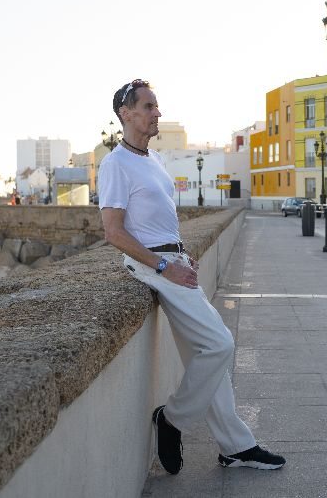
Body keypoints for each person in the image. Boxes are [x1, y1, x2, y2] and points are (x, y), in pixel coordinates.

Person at [97, 79, 285, 475]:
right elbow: (113, 232)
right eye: (148, 106)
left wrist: (182, 255)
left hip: (174, 263)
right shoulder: (115, 164)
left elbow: (162, 220)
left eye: (156, 106)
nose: (157, 113)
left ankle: (236, 445)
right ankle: (171, 419)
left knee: (207, 352)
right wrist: (165, 265)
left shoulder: (154, 160)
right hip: (154, 268)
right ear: (125, 114)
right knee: (220, 344)